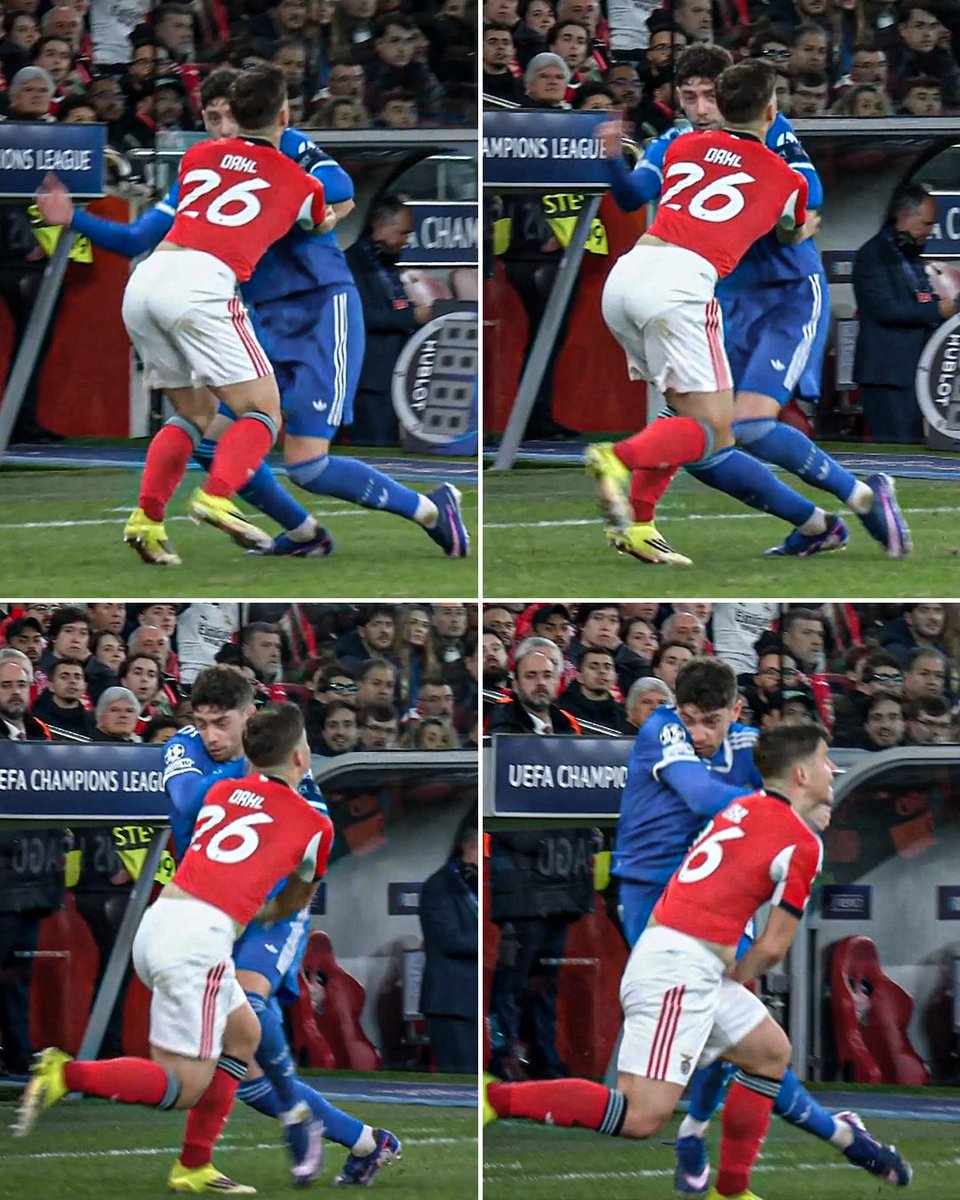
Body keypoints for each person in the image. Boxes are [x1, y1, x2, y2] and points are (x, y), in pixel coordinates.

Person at [486, 723, 913, 1195]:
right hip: (679, 972)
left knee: (769, 1054)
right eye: (823, 759)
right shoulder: (801, 843)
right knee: (640, 1115)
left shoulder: (740, 806)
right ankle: (494, 1098)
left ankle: (731, 1187)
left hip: (681, 960)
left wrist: (725, 975)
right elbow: (772, 946)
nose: (831, 768)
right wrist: (742, 973)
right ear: (800, 773)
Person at [597, 45, 910, 562]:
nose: (700, 107)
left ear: (729, 93)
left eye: (708, 95)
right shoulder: (677, 141)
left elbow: (808, 193)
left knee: (747, 425)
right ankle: (814, 524)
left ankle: (862, 495)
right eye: (689, 96)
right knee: (702, 444)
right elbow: (634, 196)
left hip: (786, 293)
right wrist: (612, 163)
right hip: (716, 296)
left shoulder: (771, 131)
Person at [610, 656, 909, 1192]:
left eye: (712, 721)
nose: (699, 732)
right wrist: (790, 813)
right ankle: (841, 1136)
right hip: (654, 895)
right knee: (731, 1036)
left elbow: (798, 780)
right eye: (691, 718)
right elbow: (703, 798)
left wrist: (805, 797)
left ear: (736, 712)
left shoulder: (751, 745)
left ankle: (694, 1135)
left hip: (718, 895)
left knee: (748, 1037)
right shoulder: (663, 728)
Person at [14, 704, 335, 1196]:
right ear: (300, 756)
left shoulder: (225, 791)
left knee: (243, 1035)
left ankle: (195, 1166)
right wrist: (267, 915)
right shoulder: (315, 823)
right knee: (184, 1085)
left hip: (161, 920)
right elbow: (297, 895)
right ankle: (66, 1072)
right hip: (198, 942)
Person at [162, 667, 399, 1186]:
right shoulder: (186, 745)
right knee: (241, 1073)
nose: (209, 736)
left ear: (251, 716)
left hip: (268, 914)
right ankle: (366, 1141)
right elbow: (183, 802)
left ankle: (271, 1128)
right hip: (206, 913)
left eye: (220, 724)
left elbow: (309, 844)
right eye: (201, 723)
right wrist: (250, 773)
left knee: (251, 1015)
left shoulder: (290, 767)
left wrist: (257, 777)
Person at [853, 182, 957, 443]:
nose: (930, 231)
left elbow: (916, 299)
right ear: (904, 216)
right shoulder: (873, 255)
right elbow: (884, 309)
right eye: (926, 223)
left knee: (911, 443)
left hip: (914, 372)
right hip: (886, 375)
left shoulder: (910, 256)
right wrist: (936, 309)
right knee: (895, 446)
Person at [418, 813, 479, 1072]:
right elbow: (449, 940)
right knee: (459, 1081)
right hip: (450, 1003)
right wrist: (488, 943)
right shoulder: (439, 887)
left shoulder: (473, 885)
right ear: (469, 846)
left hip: (472, 1001)